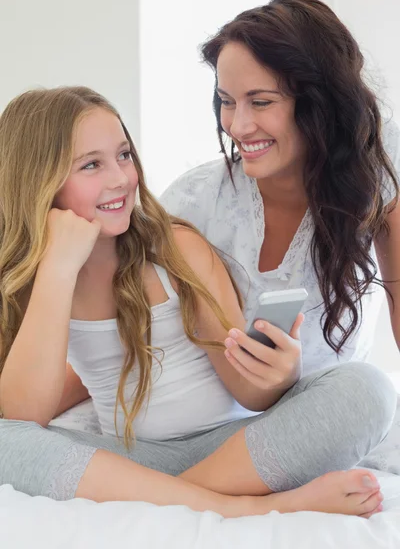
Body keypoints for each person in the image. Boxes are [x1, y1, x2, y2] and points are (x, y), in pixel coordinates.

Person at [0, 86, 396, 520]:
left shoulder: (175, 248)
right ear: (38, 180)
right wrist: (58, 268)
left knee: (367, 390)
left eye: (125, 155)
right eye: (91, 165)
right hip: (134, 459)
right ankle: (252, 506)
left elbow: (249, 392)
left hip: (230, 449)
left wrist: (280, 375)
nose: (120, 178)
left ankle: (171, 499)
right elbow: (22, 416)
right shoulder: (34, 276)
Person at [160, 0, 400, 376]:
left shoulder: (377, 169)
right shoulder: (192, 201)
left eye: (260, 102)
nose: (237, 126)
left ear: (320, 103)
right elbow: (120, 338)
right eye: (226, 101)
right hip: (211, 412)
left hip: (328, 404)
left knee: (366, 387)